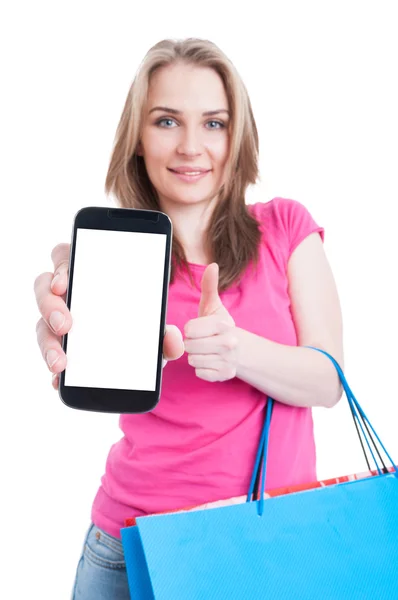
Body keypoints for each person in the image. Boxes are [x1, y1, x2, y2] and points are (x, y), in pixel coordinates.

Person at [34, 37, 344, 599]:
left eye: (214, 123)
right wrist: (61, 327)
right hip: (133, 546)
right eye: (167, 121)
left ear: (237, 134)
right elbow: (72, 348)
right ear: (138, 139)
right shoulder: (113, 259)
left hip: (269, 547)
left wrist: (238, 351)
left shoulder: (286, 229)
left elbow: (329, 381)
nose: (191, 147)